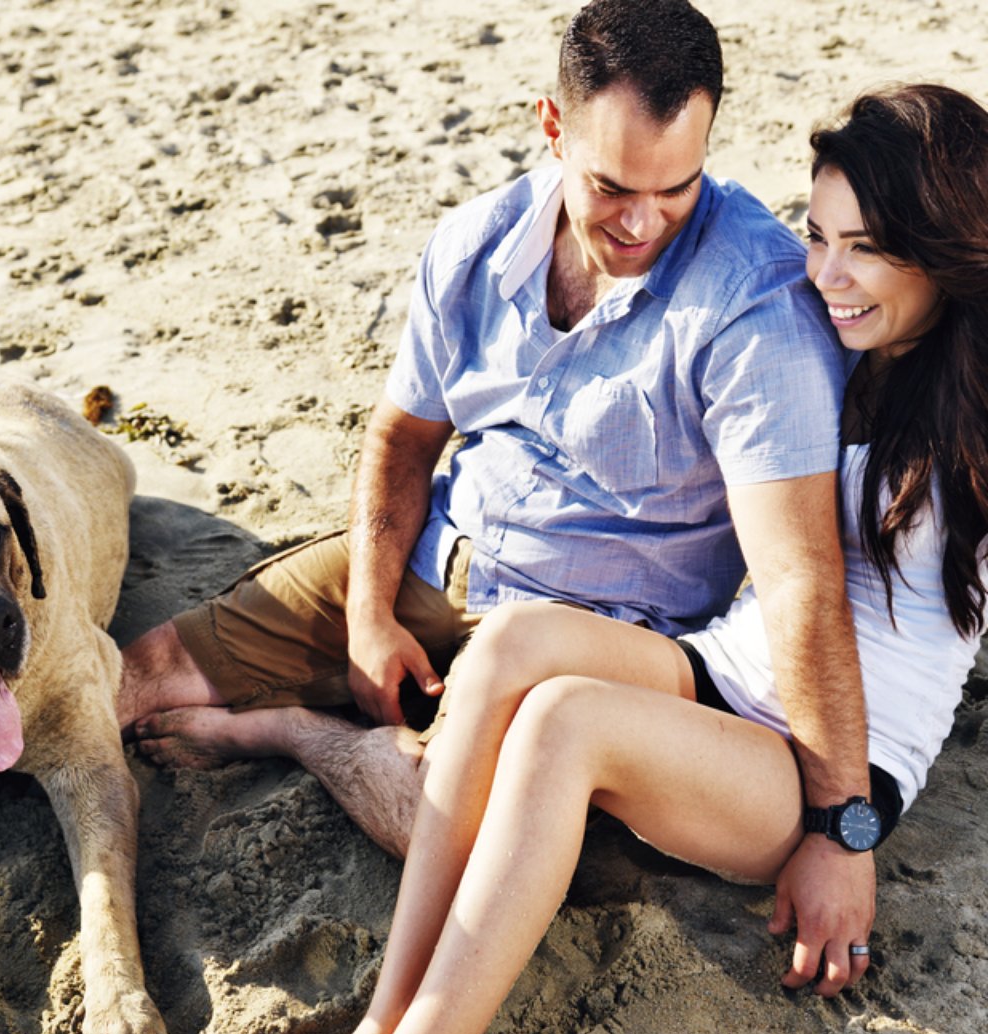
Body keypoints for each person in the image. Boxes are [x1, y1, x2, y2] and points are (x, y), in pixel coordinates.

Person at [254, 83, 988, 1034]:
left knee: (565, 724)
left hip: (831, 766)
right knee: (510, 650)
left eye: (868, 251)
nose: (826, 274)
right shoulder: (842, 349)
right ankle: (383, 1026)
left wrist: (846, 832)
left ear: (945, 250)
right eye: (819, 236)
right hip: (731, 671)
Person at [119, 0, 866, 863]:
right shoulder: (473, 243)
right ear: (553, 126)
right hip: (440, 556)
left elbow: (799, 580)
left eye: (676, 188)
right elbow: (402, 439)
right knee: (137, 677)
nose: (642, 224)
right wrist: (368, 617)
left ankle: (292, 733)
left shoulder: (757, 311)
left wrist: (840, 832)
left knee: (443, 835)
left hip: (584, 640)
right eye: (613, 187)